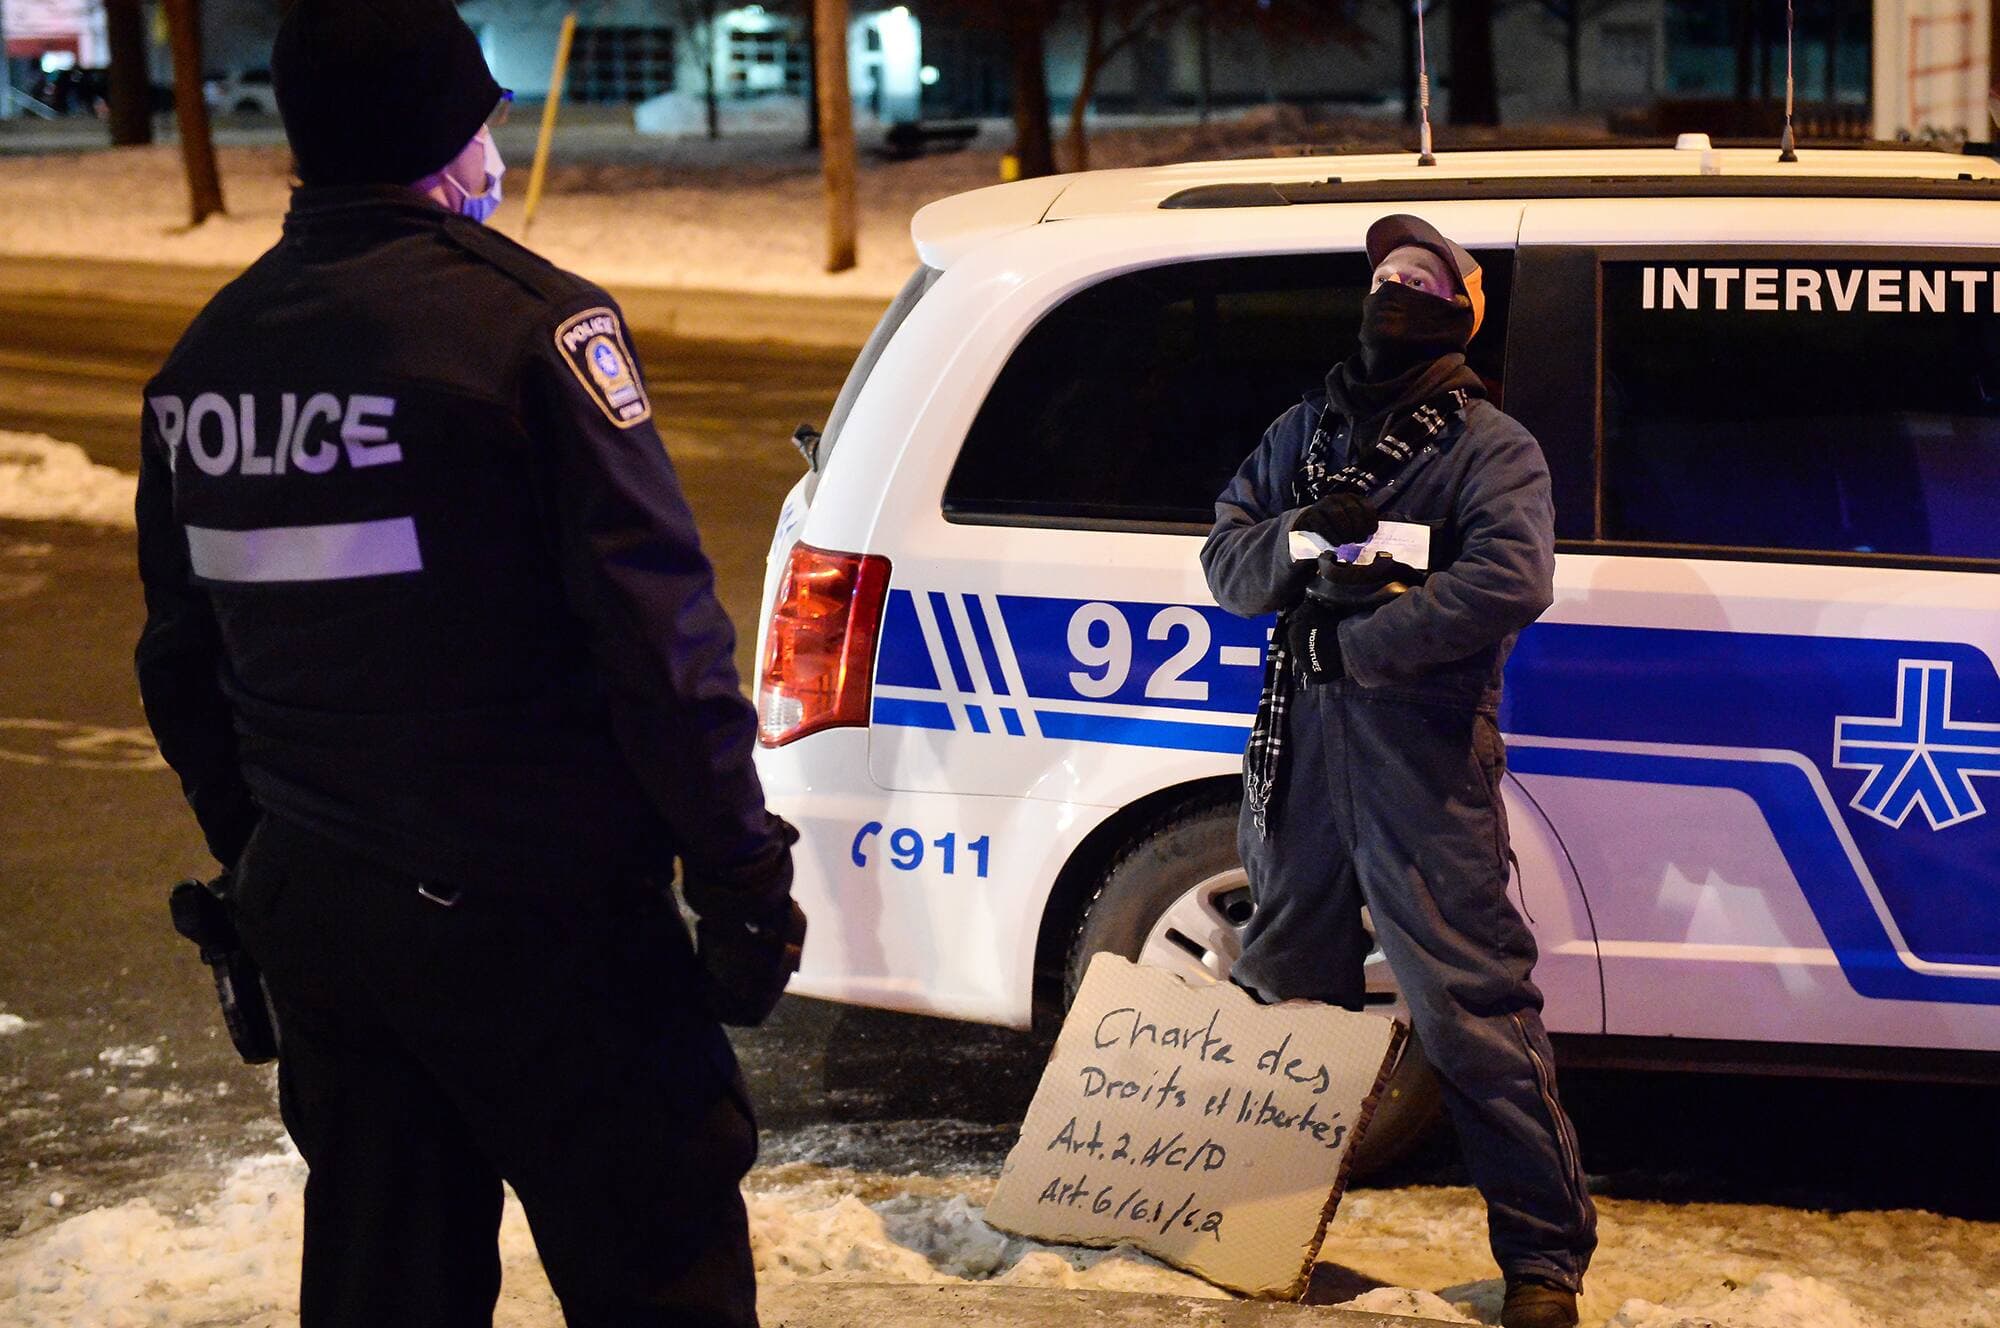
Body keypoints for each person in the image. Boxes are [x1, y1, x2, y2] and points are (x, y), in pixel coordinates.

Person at [133, 2, 802, 1324]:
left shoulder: (200, 368)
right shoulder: (527, 334)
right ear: (444, 140)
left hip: (328, 930)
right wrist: (738, 876)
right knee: (659, 1265)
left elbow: (179, 664)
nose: (496, 153)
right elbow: (661, 649)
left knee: (388, 1280)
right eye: (484, 123)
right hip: (544, 923)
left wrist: (268, 863)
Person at [1200, 215, 1596, 1328]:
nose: (1394, 293)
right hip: (1299, 751)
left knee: (1467, 1004)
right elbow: (1225, 558)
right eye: (1382, 277)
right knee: (1282, 991)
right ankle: (1250, 1222)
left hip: (1419, 751)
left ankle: (1541, 1262)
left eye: (1420, 281)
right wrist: (1291, 538)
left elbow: (1508, 580)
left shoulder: (1487, 444)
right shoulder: (1300, 431)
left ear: (1458, 314)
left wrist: (1358, 641)